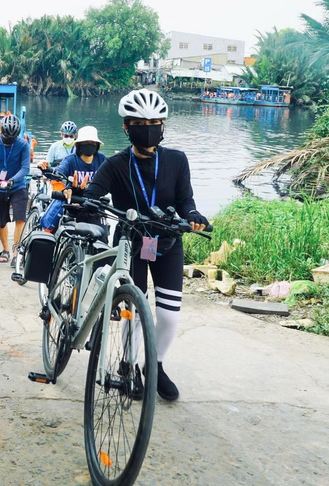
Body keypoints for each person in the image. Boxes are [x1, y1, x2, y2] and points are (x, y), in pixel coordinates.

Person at [84, 88, 210, 402]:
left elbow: (186, 202)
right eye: (140, 122)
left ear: (163, 125)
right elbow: (94, 193)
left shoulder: (177, 160)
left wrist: (193, 216)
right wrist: (86, 200)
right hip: (131, 244)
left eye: (155, 121)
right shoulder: (114, 164)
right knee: (134, 313)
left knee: (169, 317)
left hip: (167, 243)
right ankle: (127, 366)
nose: (149, 127)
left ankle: (155, 365)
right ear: (127, 127)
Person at [0, 114, 31, 265]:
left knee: (20, 218)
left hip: (17, 186)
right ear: (1, 131)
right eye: (5, 136)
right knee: (2, 221)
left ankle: (16, 251)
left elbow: (25, 168)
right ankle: (5, 249)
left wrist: (12, 180)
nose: (8, 140)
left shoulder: (23, 145)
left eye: (12, 137)